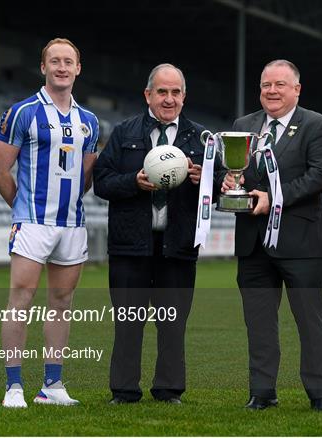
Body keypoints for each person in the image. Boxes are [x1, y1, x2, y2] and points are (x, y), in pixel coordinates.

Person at [93, 63, 218, 404]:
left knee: (173, 324)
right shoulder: (124, 133)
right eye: (162, 92)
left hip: (177, 246)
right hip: (130, 245)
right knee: (128, 322)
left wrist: (204, 180)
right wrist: (132, 181)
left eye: (175, 92)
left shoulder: (201, 137)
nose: (169, 99)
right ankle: (124, 390)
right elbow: (101, 183)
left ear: (184, 97)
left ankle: (168, 389)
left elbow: (223, 186)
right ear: (148, 95)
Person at [0, 38, 99, 408]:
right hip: (33, 222)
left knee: (62, 302)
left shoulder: (90, 122)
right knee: (20, 300)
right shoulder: (22, 112)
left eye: (69, 61)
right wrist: (22, 208)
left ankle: (51, 385)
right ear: (44, 67)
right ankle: (14, 386)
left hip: (72, 224)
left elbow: (85, 178)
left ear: (78, 68)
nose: (62, 67)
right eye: (55, 61)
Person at [223, 60, 322, 411]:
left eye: (280, 85)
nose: (271, 91)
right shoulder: (244, 126)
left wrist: (274, 199)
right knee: (258, 324)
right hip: (253, 243)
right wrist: (228, 182)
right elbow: (229, 173)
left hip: (301, 242)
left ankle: (320, 395)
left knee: (310, 321)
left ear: (297, 89)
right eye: (265, 85)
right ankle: (262, 392)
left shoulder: (318, 125)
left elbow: (320, 176)